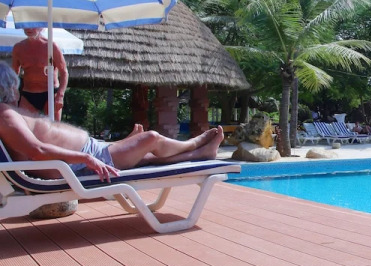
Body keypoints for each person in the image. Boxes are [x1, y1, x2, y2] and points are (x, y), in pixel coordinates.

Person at [0, 62, 223, 182]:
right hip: (82, 162)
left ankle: (200, 153)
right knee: (151, 139)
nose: (19, 89)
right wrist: (86, 158)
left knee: (145, 156)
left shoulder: (7, 113)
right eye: (16, 84)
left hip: (87, 154)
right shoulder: (5, 115)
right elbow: (37, 150)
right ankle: (195, 143)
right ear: (8, 87)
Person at [12, 27, 68, 121]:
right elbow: (14, 73)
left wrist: (60, 95)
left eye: (33, 26)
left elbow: (64, 72)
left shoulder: (51, 46)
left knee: (54, 127)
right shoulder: (18, 48)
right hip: (28, 93)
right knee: (24, 125)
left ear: (41, 27)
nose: (29, 28)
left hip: (50, 92)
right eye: (26, 25)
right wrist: (13, 92)